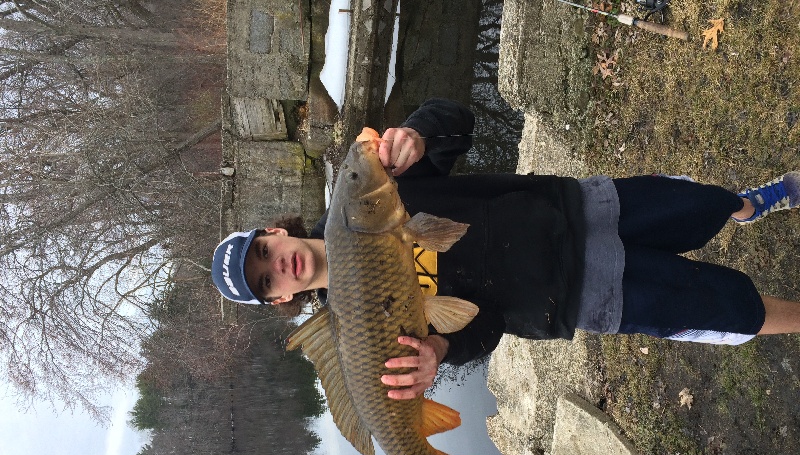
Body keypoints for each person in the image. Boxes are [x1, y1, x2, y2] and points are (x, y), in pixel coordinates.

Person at [212, 98, 800, 400]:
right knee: (725, 308)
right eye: (267, 283)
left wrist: (419, 132)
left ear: (272, 233)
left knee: (704, 205)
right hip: (573, 295)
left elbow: (458, 121)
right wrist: (439, 350)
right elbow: (483, 327)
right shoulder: (359, 330)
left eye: (262, 255)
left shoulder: (362, 186)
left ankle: (753, 204)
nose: (275, 268)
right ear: (280, 301)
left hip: (575, 208)